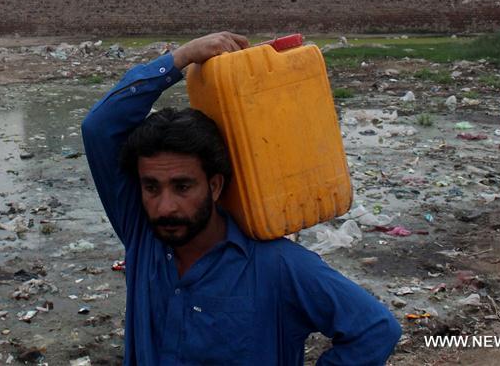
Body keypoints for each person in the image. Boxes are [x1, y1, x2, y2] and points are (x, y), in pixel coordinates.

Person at [81, 32, 402, 365]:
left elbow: (375, 330)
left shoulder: (277, 266)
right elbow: (99, 128)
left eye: (183, 187)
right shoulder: (144, 238)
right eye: (151, 187)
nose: (164, 207)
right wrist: (182, 57)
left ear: (215, 186)